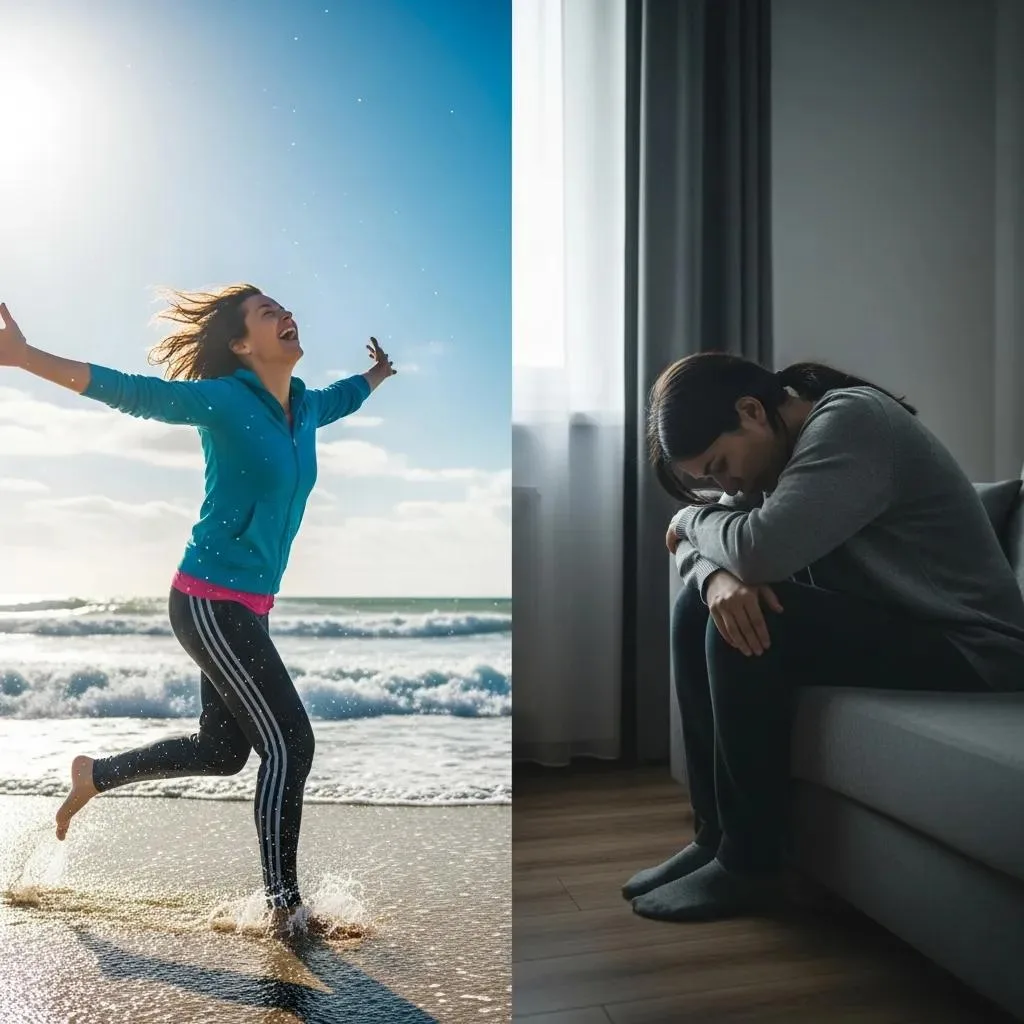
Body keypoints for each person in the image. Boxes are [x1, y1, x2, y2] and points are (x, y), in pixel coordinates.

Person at [0, 285, 396, 935]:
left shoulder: (304, 407)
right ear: (241, 344)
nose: (286, 314)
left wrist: (377, 375)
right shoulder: (224, 401)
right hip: (208, 601)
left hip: (250, 605)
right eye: (268, 312)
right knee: (291, 743)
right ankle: (284, 908)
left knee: (221, 751)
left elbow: (344, 397)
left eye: (283, 307)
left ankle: (93, 775)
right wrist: (24, 357)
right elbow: (133, 392)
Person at [624, 352, 1024, 923]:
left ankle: (751, 865)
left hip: (975, 645)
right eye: (708, 480)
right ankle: (714, 837)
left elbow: (757, 550)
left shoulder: (852, 422)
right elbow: (721, 548)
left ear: (750, 411)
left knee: (758, 620)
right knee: (700, 605)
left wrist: (687, 520)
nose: (724, 484)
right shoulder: (772, 455)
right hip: (901, 624)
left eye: (720, 466)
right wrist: (712, 578)